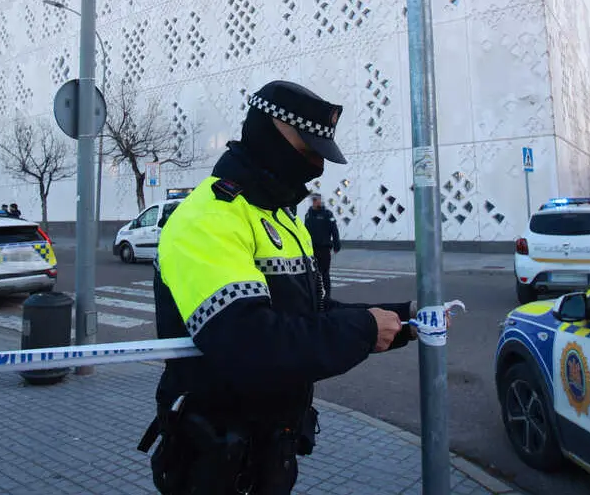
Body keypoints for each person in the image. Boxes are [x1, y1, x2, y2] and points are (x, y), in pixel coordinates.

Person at [140, 80, 413, 494]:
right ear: (268, 131)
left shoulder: (283, 217)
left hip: (272, 448)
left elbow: (308, 316)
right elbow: (250, 344)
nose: (315, 166)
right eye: (307, 151)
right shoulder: (209, 218)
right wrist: (363, 330)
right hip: (213, 457)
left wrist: (397, 318)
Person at [303, 193, 340, 302]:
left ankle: (327, 295)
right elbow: (305, 232)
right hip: (312, 249)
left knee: (324, 273)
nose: (316, 202)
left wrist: (336, 244)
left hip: (324, 248)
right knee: (313, 273)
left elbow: (334, 229)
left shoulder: (327, 214)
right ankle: (316, 294)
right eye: (314, 200)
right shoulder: (308, 215)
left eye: (318, 199)